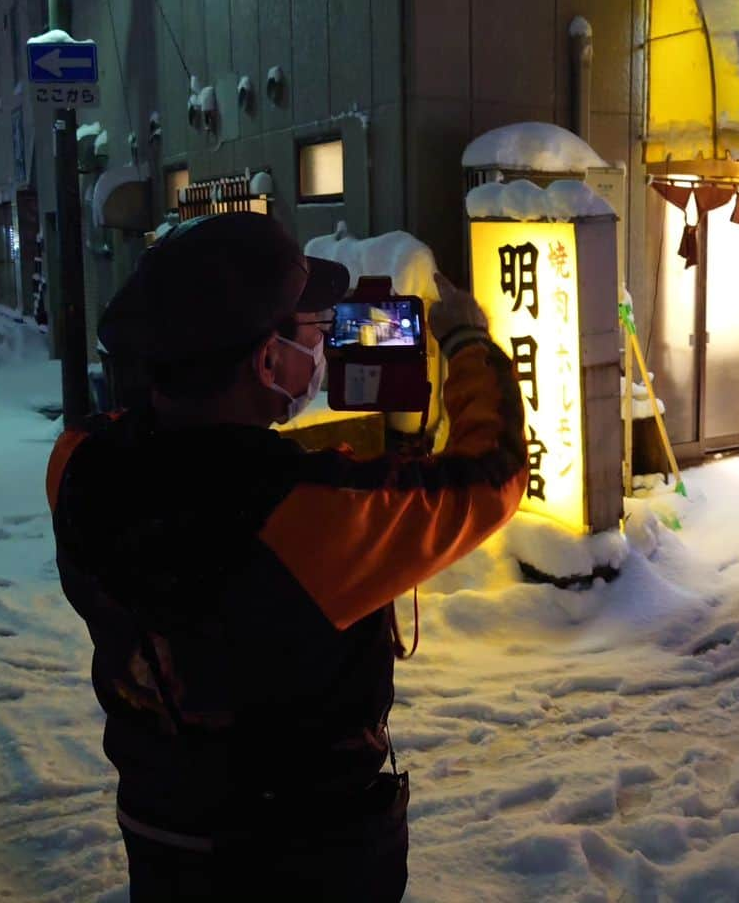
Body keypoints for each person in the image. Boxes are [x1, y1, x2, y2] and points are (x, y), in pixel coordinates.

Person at [45, 212, 528, 901]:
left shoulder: (77, 467)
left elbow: (185, 458)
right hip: (306, 857)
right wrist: (466, 340)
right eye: (312, 328)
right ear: (267, 362)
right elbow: (493, 476)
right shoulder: (305, 514)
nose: (329, 336)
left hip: (161, 834)